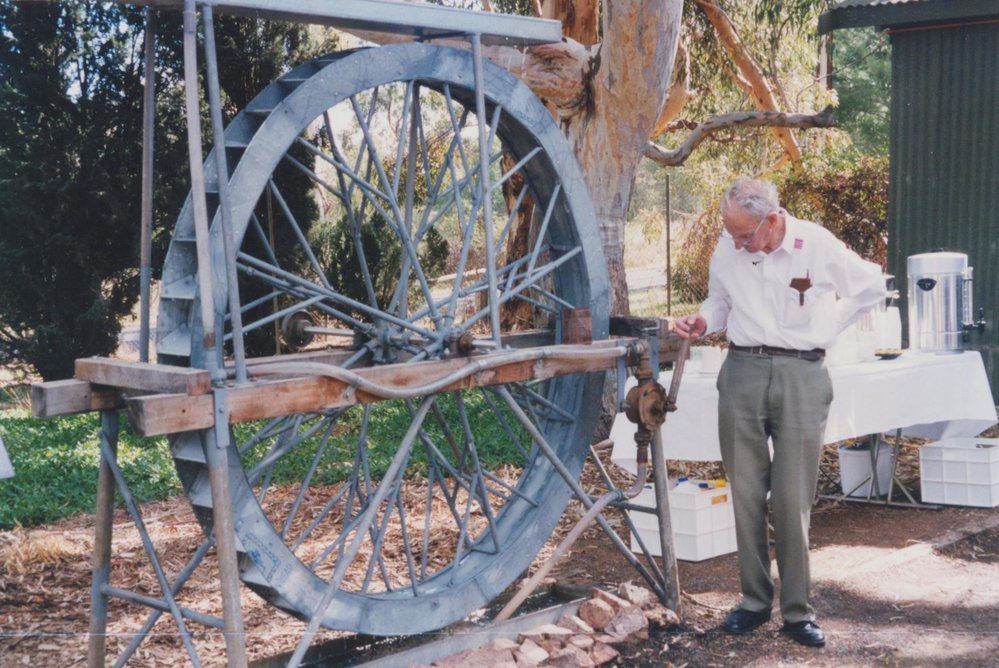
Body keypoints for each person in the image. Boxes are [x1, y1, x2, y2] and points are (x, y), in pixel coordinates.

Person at [673, 178, 883, 648]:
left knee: (792, 498)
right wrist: (704, 320)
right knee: (745, 493)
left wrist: (831, 326)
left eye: (745, 235)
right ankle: (753, 602)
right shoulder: (729, 246)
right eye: (731, 234)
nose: (737, 243)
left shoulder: (817, 244)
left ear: (772, 219)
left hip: (801, 374)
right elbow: (720, 300)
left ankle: (797, 611)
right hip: (742, 370)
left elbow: (871, 285)